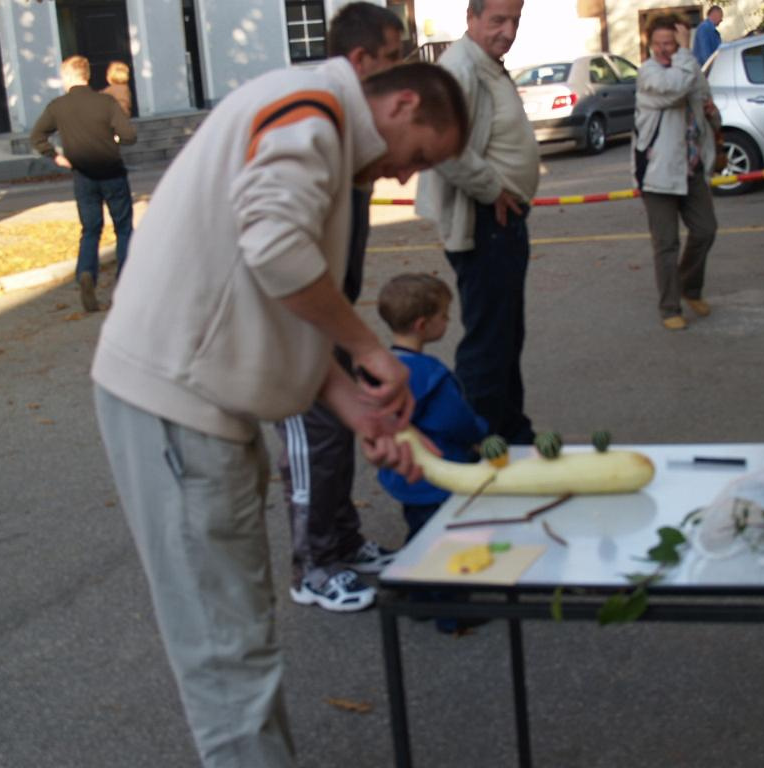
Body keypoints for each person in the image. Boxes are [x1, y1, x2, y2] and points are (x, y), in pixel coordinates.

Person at [91, 57, 468, 768]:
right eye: (419, 156)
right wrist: (369, 347)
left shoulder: (316, 122)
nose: (404, 178)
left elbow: (275, 297)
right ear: (403, 105)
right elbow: (274, 247)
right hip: (176, 407)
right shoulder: (314, 112)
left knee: (243, 639)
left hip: (195, 407)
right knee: (228, 659)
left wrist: (360, 412)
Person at [274, 2, 406, 613]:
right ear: (360, 59)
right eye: (393, 57)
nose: (400, 70)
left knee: (341, 434)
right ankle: (313, 566)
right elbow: (278, 252)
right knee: (314, 441)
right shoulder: (314, 121)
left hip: (328, 319)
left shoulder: (353, 134)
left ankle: (342, 541)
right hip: (292, 330)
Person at [415, 0, 539, 446]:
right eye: (497, 20)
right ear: (471, 18)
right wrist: (491, 189)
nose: (508, 30)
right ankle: (477, 444)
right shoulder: (459, 68)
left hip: (503, 220)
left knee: (506, 335)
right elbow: (438, 143)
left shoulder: (486, 63)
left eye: (515, 20)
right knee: (489, 342)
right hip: (484, 220)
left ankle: (511, 432)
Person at [375, 273, 489, 541]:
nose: (447, 321)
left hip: (401, 471)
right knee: (441, 533)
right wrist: (480, 432)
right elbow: (456, 421)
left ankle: (414, 557)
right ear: (422, 325)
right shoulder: (430, 375)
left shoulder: (382, 366)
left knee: (419, 526)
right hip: (438, 472)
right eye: (444, 316)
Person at [30, 55, 136, 313]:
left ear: (69, 76)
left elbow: (37, 136)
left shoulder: (59, 106)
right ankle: (126, 283)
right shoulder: (106, 102)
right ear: (87, 75)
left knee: (90, 230)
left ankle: (87, 272)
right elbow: (129, 135)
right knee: (123, 228)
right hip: (112, 173)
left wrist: (56, 157)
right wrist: (114, 138)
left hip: (83, 175)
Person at [632, 15, 718, 332]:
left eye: (669, 43)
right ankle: (670, 306)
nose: (663, 49)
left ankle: (689, 287)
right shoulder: (649, 73)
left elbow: (705, 104)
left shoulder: (688, 68)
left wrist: (713, 114)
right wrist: (685, 52)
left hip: (691, 167)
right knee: (666, 244)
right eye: (657, 44)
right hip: (658, 172)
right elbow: (676, 89)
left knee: (706, 230)